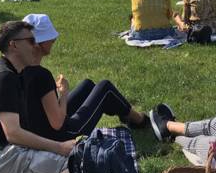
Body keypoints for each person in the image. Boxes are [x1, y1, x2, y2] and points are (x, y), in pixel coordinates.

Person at [0, 21, 73, 173]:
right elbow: (13, 133)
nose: (36, 46)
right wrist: (59, 147)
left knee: (79, 161)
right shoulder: (4, 77)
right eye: (31, 41)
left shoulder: (13, 73)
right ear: (14, 45)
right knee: (78, 166)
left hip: (3, 156)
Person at [21, 14, 150, 143]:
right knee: (105, 88)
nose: (54, 39)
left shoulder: (21, 69)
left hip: (40, 130)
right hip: (62, 135)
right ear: (38, 44)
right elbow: (58, 124)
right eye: (51, 37)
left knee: (87, 85)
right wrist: (63, 94)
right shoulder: (42, 76)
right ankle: (140, 120)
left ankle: (126, 114)